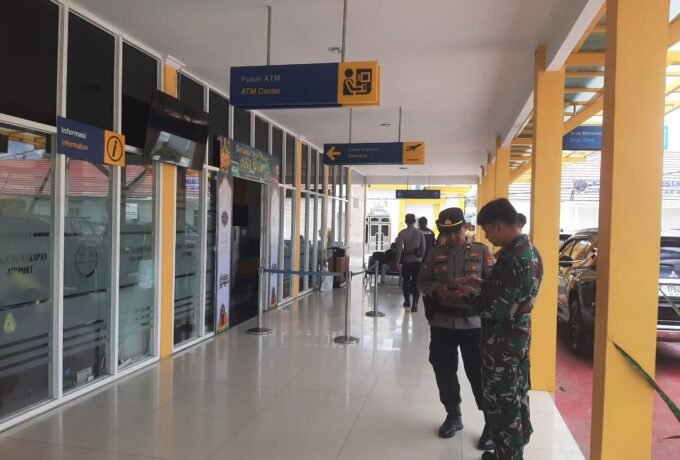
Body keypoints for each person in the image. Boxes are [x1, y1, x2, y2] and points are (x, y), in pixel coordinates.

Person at [457, 198, 544, 460]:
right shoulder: (529, 251)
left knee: (503, 405)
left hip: (502, 347)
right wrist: (482, 283)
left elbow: (495, 309)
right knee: (515, 398)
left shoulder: (512, 259)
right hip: (516, 341)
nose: (486, 236)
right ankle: (507, 452)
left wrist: (469, 293)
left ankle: (508, 454)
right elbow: (510, 293)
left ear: (498, 226)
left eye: (486, 229)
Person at [417, 208, 495, 449]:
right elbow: (422, 281)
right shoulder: (435, 254)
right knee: (444, 371)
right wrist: (437, 289)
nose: (451, 238)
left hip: (473, 325)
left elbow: (494, 285)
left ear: (465, 228)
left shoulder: (482, 252)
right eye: (446, 233)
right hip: (442, 323)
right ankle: (453, 415)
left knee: (479, 375)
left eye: (455, 232)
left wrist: (473, 291)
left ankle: (490, 423)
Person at [395, 213, 425, 312]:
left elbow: (399, 249)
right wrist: (421, 257)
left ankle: (407, 301)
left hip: (407, 261)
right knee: (416, 282)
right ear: (414, 221)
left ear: (406, 221)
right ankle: (415, 303)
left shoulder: (402, 233)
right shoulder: (420, 233)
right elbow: (423, 248)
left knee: (406, 281)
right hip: (417, 261)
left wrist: (397, 261)